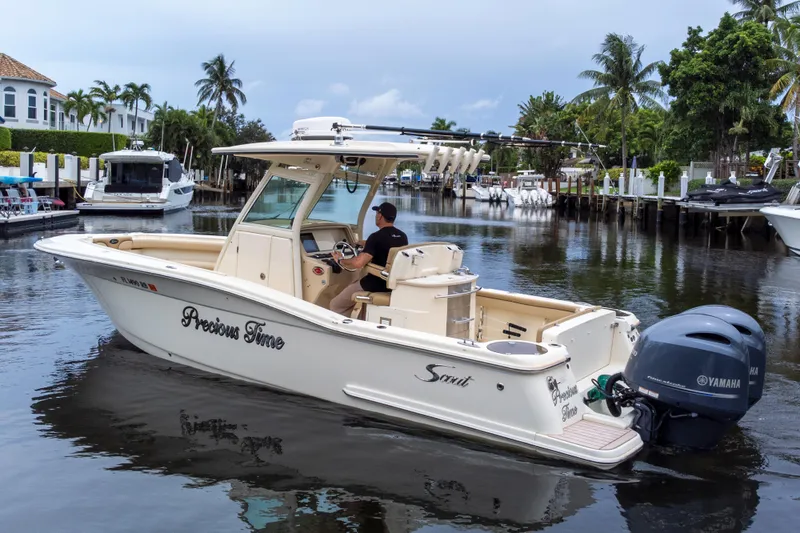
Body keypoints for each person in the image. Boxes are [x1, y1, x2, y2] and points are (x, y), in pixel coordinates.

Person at [329, 201, 408, 316]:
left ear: (380, 216)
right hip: (391, 285)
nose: (376, 216)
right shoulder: (402, 237)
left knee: (336, 305)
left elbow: (357, 263)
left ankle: (343, 329)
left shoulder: (375, 237)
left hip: (374, 284)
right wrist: (365, 243)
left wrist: (340, 260)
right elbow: (386, 245)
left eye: (377, 213)